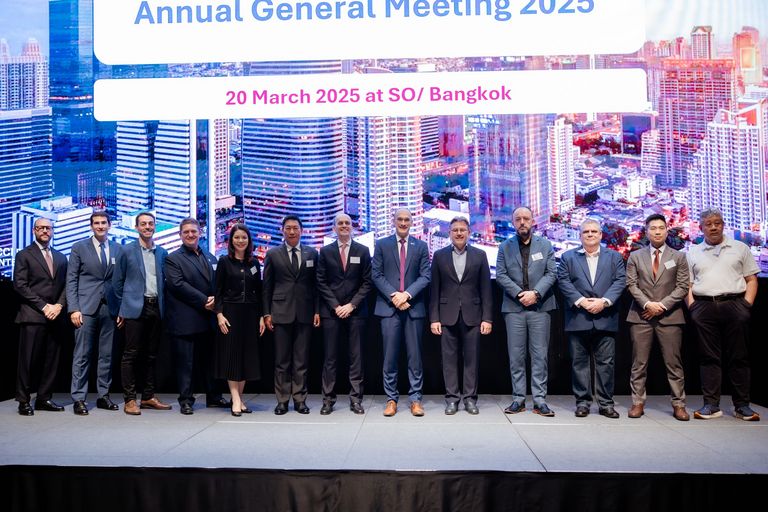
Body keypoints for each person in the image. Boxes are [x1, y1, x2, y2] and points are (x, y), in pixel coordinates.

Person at [686, 208, 760, 421]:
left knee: (739, 357)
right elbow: (687, 284)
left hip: (735, 305)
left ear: (723, 225)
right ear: (701, 228)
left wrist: (746, 305)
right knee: (708, 358)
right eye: (708, 224)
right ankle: (711, 405)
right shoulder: (693, 252)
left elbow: (751, 279)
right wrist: (693, 308)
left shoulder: (740, 248)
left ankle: (742, 406)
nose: (713, 227)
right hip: (704, 307)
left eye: (717, 223)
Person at [557, 219, 626, 419]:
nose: (590, 234)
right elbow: (564, 281)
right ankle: (582, 403)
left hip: (605, 316)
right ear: (580, 235)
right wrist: (582, 302)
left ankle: (606, 404)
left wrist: (604, 302)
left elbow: (620, 281)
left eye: (594, 231)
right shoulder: (568, 257)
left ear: (600, 235)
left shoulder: (614, 257)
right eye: (586, 231)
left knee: (606, 364)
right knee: (579, 364)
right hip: (578, 317)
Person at [625, 214, 690, 421]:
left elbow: (682, 287)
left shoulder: (679, 257)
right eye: (653, 228)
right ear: (646, 232)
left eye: (661, 228)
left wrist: (661, 306)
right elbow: (631, 285)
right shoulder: (635, 256)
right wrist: (647, 304)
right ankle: (637, 403)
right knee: (639, 363)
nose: (657, 231)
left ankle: (679, 404)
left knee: (674, 364)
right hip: (640, 316)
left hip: (670, 316)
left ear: (667, 231)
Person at [495, 207, 557, 417]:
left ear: (533, 221)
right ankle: (518, 399)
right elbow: (501, 275)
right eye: (518, 219)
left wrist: (536, 294)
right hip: (514, 308)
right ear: (513, 222)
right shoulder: (504, 246)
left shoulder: (545, 245)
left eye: (526, 218)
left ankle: (540, 401)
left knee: (540, 356)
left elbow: (552, 273)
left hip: (540, 307)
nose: (522, 222)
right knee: (516, 356)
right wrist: (521, 294)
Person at [429, 216, 492, 415]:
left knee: (471, 360)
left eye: (462, 230)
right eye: (455, 230)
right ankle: (452, 399)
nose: (458, 233)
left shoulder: (480, 255)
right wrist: (434, 318)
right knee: (449, 360)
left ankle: (470, 399)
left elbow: (486, 289)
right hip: (446, 316)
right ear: (449, 233)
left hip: (473, 316)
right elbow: (434, 289)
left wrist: (487, 318)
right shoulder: (439, 256)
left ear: (469, 233)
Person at [165, 217, 228, 415]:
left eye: (194, 231)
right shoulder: (173, 259)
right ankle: (186, 400)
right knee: (186, 364)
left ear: (200, 233)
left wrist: (216, 299)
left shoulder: (210, 256)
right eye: (186, 232)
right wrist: (204, 300)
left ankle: (214, 397)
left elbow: (218, 282)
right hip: (186, 319)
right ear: (180, 235)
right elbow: (177, 285)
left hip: (209, 319)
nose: (190, 235)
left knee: (210, 361)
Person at [372, 208, 431, 417]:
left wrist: (406, 295)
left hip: (413, 308)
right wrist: (394, 296)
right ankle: (391, 399)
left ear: (412, 222)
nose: (403, 223)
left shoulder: (421, 246)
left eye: (407, 219)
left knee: (415, 358)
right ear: (393, 221)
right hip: (389, 309)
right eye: (400, 219)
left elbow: (425, 276)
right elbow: (376, 275)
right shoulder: (382, 244)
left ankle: (415, 399)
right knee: (389, 357)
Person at [113, 212, 172, 415]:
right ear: (136, 227)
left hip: (156, 307)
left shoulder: (162, 252)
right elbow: (117, 283)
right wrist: (121, 309)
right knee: (131, 354)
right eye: (143, 224)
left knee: (151, 355)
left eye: (150, 224)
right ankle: (130, 399)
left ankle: (147, 396)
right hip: (134, 308)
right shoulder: (126, 250)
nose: (147, 227)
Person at [263, 215, 320, 415]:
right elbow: (266, 286)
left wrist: (317, 310)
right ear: (282, 230)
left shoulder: (312, 253)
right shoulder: (272, 254)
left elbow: (316, 285)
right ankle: (282, 400)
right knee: (282, 361)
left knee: (301, 361)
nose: (292, 231)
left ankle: (300, 399)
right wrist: (266, 313)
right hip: (280, 312)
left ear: (301, 231)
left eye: (295, 228)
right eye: (288, 228)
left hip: (305, 312)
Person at [66, 212, 122, 415]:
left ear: (109, 225)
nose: (100, 226)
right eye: (96, 223)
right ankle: (79, 398)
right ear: (91, 226)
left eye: (104, 223)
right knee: (82, 355)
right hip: (85, 308)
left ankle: (103, 396)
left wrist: (121, 309)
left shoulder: (118, 248)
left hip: (110, 308)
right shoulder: (79, 247)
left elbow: (120, 281)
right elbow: (71, 279)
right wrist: (74, 308)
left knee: (106, 355)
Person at [316, 213, 372, 415]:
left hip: (356, 312)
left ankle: (356, 400)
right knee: (330, 358)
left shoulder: (363, 250)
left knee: (356, 357)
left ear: (352, 227)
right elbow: (321, 281)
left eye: (347, 223)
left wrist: (351, 305)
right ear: (334, 228)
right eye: (340, 223)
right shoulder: (325, 251)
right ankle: (328, 400)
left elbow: (367, 282)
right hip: (331, 312)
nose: (344, 226)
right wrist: (336, 306)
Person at [13, 217, 68, 416]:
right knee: (27, 361)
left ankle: (44, 398)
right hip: (33, 315)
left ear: (52, 231)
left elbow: (67, 285)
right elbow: (20, 285)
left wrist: (59, 306)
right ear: (34, 230)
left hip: (56, 316)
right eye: (41, 228)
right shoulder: (23, 255)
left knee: (51, 361)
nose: (45, 231)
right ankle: (23, 400)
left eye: (48, 228)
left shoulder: (61, 257)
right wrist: (44, 307)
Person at [214, 224, 265, 417]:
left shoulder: (254, 263)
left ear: (249, 240)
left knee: (246, 357)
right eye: (237, 237)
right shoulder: (224, 262)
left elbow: (259, 292)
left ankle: (239, 398)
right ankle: (235, 399)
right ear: (231, 240)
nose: (240, 241)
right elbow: (218, 290)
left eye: (244, 237)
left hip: (250, 314)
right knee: (232, 356)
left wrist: (261, 316)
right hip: (230, 314)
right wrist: (219, 314)